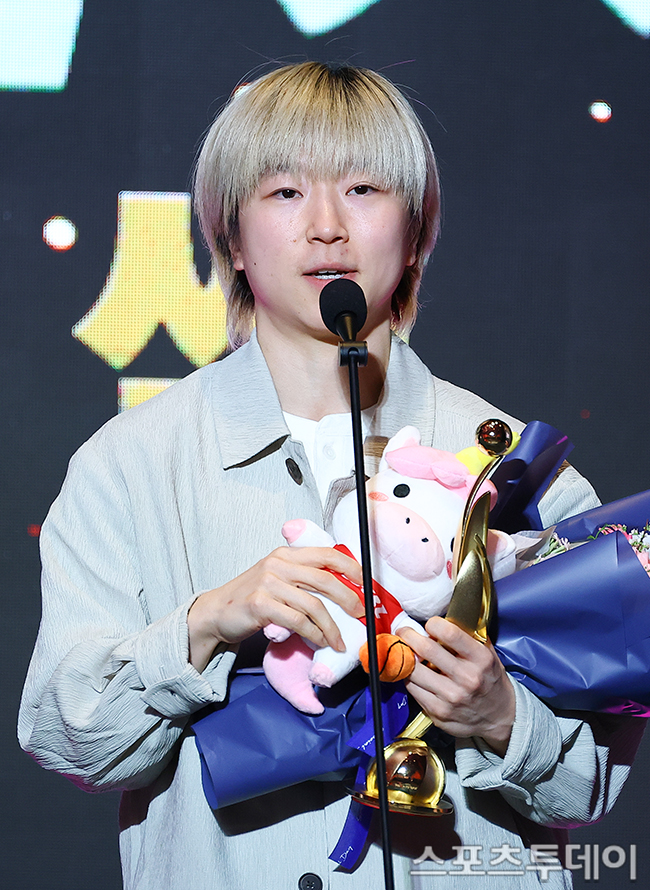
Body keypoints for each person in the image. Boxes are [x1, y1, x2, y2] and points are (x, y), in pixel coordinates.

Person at [19, 62, 644, 890]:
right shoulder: (129, 465)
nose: (325, 228)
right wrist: (205, 625)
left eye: (363, 189)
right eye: (284, 192)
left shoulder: (514, 468)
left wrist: (499, 716)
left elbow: (590, 787)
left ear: (415, 233)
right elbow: (70, 741)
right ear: (230, 237)